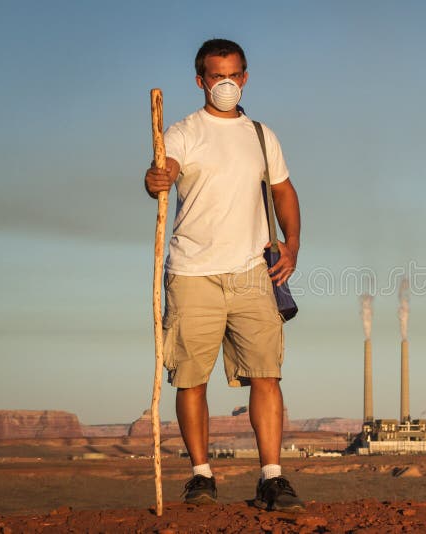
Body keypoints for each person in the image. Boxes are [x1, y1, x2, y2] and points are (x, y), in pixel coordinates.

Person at [144, 38, 303, 512]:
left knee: (266, 374)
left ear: (246, 77)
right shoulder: (183, 131)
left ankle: (272, 477)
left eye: (234, 74)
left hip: (254, 270)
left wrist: (292, 246)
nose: (226, 84)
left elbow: (284, 191)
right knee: (190, 378)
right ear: (201, 81)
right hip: (193, 272)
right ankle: (200, 476)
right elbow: (162, 169)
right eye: (217, 76)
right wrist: (156, 178)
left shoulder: (260, 134)